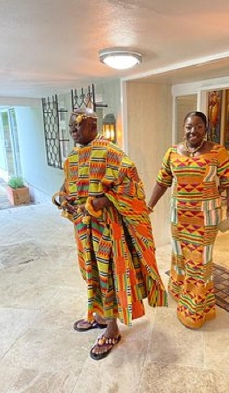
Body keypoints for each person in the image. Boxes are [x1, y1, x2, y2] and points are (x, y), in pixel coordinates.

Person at [52, 108, 167, 360]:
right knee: (91, 272)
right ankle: (101, 316)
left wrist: (98, 203)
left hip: (107, 231)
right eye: (70, 124)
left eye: (78, 123)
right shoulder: (72, 156)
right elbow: (69, 184)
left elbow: (131, 185)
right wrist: (63, 197)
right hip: (83, 230)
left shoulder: (111, 153)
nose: (73, 128)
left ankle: (112, 329)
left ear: (93, 124)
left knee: (108, 277)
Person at [147, 111, 229, 329]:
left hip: (206, 219)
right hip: (179, 217)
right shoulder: (172, 152)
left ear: (206, 129)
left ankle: (196, 309)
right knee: (180, 256)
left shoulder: (218, 152)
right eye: (189, 126)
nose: (193, 131)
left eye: (198, 126)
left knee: (199, 261)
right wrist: (149, 205)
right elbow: (162, 182)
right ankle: (179, 291)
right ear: (183, 128)